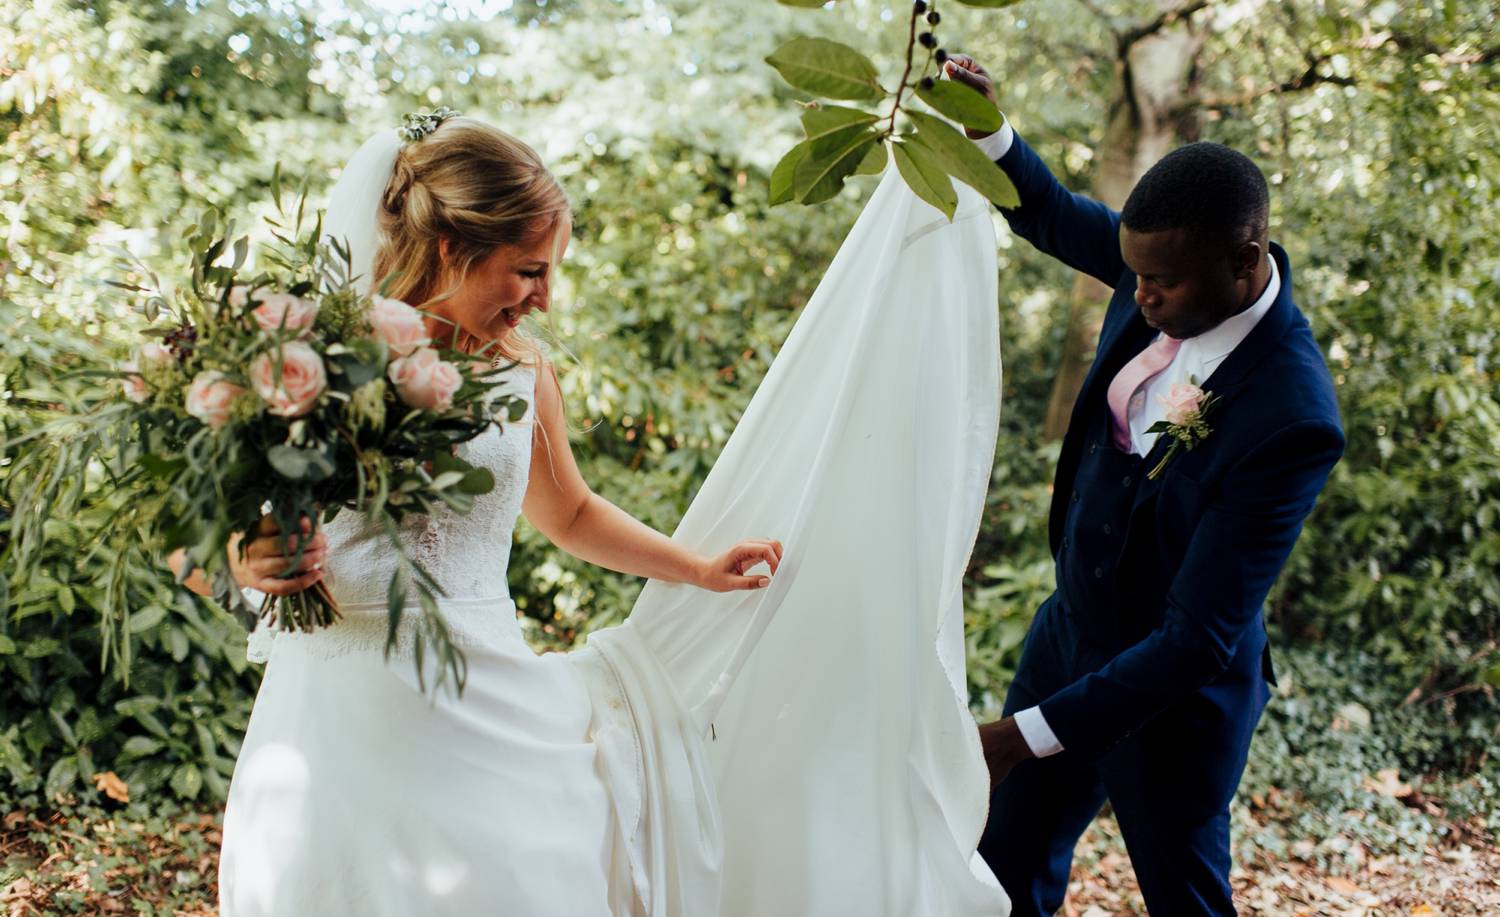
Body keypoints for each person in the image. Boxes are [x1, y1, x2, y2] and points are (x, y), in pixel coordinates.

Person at [177, 111, 1014, 916]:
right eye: (529, 268)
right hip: (340, 700)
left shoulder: (522, 374)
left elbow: (569, 512)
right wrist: (254, 557)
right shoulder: (313, 357)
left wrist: (696, 565)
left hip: (483, 688)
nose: (544, 297)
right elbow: (214, 519)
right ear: (449, 247)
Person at [943, 54, 1345, 915]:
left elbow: (1198, 638)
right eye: (1136, 275)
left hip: (1175, 706)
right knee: (1003, 867)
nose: (1141, 294)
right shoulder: (1156, 259)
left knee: (1185, 898)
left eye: (1160, 282)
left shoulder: (1293, 414)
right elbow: (1047, 212)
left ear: (1244, 261)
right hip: (1067, 638)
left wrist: (1021, 736)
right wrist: (989, 131)